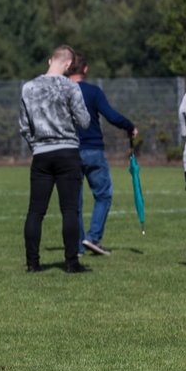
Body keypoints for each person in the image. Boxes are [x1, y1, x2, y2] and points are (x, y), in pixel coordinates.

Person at [20, 45, 91, 273]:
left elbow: (24, 126)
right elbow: (84, 121)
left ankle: (33, 263)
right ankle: (71, 262)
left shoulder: (28, 87)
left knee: (35, 211)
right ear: (69, 64)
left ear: (50, 60)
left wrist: (36, 145)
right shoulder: (71, 87)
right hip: (67, 152)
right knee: (69, 210)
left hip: (41, 154)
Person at [66, 53, 136, 256]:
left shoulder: (61, 92)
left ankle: (78, 245)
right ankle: (93, 237)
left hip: (69, 151)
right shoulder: (93, 92)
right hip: (93, 150)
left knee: (74, 201)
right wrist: (129, 126)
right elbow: (111, 115)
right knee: (103, 195)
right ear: (85, 69)